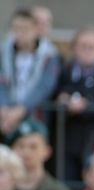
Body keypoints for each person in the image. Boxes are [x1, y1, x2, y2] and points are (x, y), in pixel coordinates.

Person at [55, 26, 94, 182]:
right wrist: (63, 101)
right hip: (68, 140)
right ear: (74, 48)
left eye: (93, 46)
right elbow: (56, 95)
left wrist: (87, 105)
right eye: (83, 46)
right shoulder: (65, 72)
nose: (88, 50)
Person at [0, 8, 60, 139]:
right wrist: (4, 108)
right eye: (16, 29)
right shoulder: (4, 52)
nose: (20, 34)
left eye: (25, 29)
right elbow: (2, 82)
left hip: (35, 115)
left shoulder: (49, 55)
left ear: (35, 29)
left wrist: (21, 109)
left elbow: (44, 87)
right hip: (5, 117)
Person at [6, 118, 70, 190]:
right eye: (21, 146)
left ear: (47, 151)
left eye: (33, 147)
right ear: (12, 150)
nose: (26, 152)